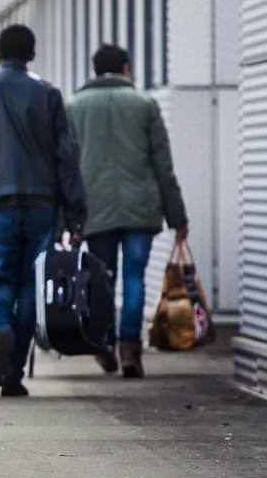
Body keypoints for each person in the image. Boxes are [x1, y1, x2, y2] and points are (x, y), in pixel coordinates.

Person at [0, 24, 86, 398]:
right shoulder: (48, 93)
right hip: (43, 204)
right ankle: (14, 374)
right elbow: (65, 158)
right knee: (31, 282)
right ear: (32, 56)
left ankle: (2, 330)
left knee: (3, 278)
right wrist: (76, 214)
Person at [68, 44, 188, 378]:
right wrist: (177, 217)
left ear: (94, 70)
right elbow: (163, 166)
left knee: (103, 280)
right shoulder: (144, 104)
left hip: (95, 209)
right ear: (126, 68)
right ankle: (130, 348)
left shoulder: (74, 107)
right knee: (134, 277)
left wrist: (70, 217)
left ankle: (104, 344)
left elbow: (67, 167)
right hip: (140, 208)